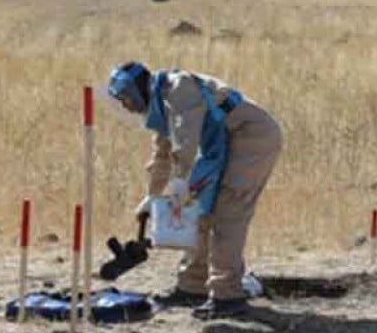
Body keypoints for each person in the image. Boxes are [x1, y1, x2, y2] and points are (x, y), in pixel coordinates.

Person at [107, 61, 282, 319]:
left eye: (126, 98)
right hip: (224, 142)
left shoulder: (179, 88)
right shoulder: (161, 104)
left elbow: (185, 141)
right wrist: (152, 196)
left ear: (137, 89)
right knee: (199, 211)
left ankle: (227, 295)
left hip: (250, 137)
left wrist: (180, 183)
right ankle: (193, 286)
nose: (125, 105)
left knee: (227, 213)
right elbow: (163, 153)